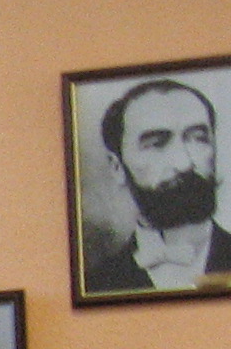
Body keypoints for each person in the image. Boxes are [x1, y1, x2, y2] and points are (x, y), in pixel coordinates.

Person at [83, 79, 231, 295]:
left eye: (198, 139)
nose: (183, 163)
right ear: (117, 167)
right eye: (156, 144)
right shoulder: (97, 283)